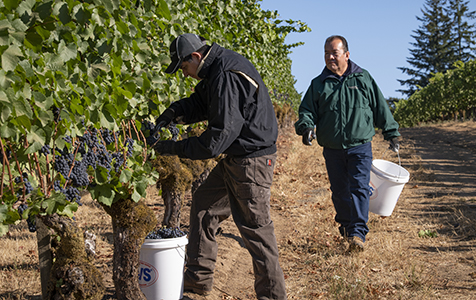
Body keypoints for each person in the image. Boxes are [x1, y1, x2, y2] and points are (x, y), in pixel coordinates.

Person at [153, 33, 287, 299]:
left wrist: (173, 148)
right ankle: (198, 280)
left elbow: (216, 141)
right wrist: (174, 113)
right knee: (204, 204)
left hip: (251, 163)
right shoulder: (216, 69)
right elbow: (201, 103)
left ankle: (273, 296)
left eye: (183, 67)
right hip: (239, 158)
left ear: (195, 56)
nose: (184, 73)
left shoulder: (225, 74)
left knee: (256, 232)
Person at [294, 35, 401, 253]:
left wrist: (391, 133)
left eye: (334, 53)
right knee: (340, 191)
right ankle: (346, 227)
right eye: (326, 54)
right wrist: (306, 127)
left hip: (359, 145)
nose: (330, 57)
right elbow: (306, 111)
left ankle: (358, 233)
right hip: (332, 148)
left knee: (359, 187)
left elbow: (380, 106)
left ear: (347, 54)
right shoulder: (318, 84)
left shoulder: (363, 78)